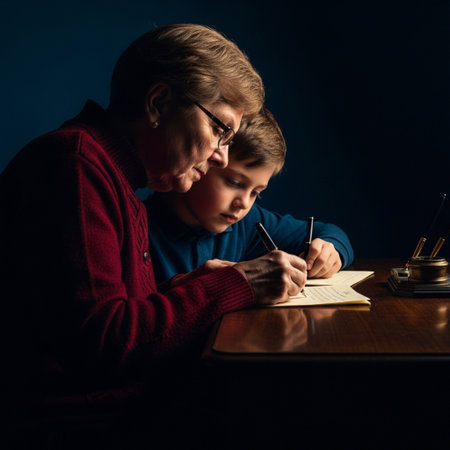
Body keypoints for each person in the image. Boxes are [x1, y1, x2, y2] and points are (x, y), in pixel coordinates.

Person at [0, 23, 308, 402]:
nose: (221, 156)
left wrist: (189, 287)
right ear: (158, 103)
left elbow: (105, 318)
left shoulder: (116, 177)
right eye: (219, 130)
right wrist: (236, 285)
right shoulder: (75, 168)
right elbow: (104, 345)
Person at [145, 108, 354, 286]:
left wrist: (330, 250)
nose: (244, 203)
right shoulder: (140, 229)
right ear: (205, 160)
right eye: (234, 183)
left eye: (256, 193)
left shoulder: (247, 223)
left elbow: (330, 232)